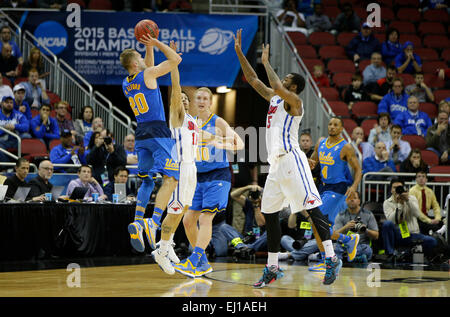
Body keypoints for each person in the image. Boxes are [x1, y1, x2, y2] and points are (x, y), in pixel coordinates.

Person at [234, 29, 343, 287]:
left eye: (285, 80)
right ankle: (272, 267)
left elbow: (278, 87)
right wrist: (241, 53)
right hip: (276, 166)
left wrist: (268, 64)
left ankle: (331, 258)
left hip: (293, 161)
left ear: (293, 87)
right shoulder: (274, 99)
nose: (279, 82)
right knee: (270, 213)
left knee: (312, 208)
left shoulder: (295, 102)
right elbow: (252, 79)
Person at [120, 33, 181, 254]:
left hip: (141, 134)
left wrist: (148, 48)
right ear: (136, 63)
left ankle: (137, 221)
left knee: (146, 181)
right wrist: (157, 43)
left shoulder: (126, 83)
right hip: (158, 131)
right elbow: (176, 61)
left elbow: (150, 67)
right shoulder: (147, 74)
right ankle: (153, 222)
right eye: (141, 56)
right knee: (172, 177)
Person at [174, 85, 244, 278]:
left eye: (205, 98)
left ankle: (194, 259)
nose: (202, 101)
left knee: (206, 219)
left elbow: (240, 144)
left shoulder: (218, 122)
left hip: (218, 176)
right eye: (199, 98)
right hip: (198, 177)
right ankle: (203, 263)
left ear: (211, 102)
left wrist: (219, 142)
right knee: (188, 220)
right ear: (194, 102)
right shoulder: (191, 123)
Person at [147, 41, 199, 275]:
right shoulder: (177, 117)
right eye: (181, 99)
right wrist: (174, 63)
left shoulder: (193, 121)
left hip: (191, 168)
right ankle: (161, 250)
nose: (184, 100)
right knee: (175, 210)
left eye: (187, 99)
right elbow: (175, 87)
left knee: (183, 208)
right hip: (178, 167)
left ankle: (166, 245)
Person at [310, 117, 363, 226]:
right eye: (330, 124)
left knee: (317, 216)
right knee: (326, 223)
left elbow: (358, 169)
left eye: (335, 125)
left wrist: (354, 186)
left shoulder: (346, 147)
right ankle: (347, 239)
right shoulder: (321, 143)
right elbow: (312, 163)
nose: (332, 127)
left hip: (337, 187)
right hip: (322, 186)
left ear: (341, 129)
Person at [382, 178, 437, 261]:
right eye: (394, 187)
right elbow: (392, 220)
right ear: (391, 190)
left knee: (432, 241)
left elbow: (417, 214)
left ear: (404, 188)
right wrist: (399, 205)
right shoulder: (387, 202)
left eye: (399, 187)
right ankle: (390, 254)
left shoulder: (412, 199)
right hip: (396, 234)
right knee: (387, 224)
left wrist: (407, 200)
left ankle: (408, 254)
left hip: (411, 234)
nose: (397, 189)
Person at [333, 191, 379, 262]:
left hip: (361, 245)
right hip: (344, 245)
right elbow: (334, 235)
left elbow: (376, 236)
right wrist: (346, 227)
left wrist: (365, 230)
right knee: (334, 247)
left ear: (359, 201)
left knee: (367, 250)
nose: (352, 200)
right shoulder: (340, 215)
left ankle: (345, 257)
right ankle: (354, 257)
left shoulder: (368, 214)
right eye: (349, 198)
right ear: (346, 201)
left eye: (354, 198)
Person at [0, 95, 30, 162]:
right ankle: (9, 166)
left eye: (11, 103)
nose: (9, 104)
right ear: (2, 103)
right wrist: (5, 129)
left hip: (16, 140)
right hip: (2, 140)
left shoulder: (18, 114)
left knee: (27, 136)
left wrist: (15, 126)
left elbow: (26, 126)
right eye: (7, 102)